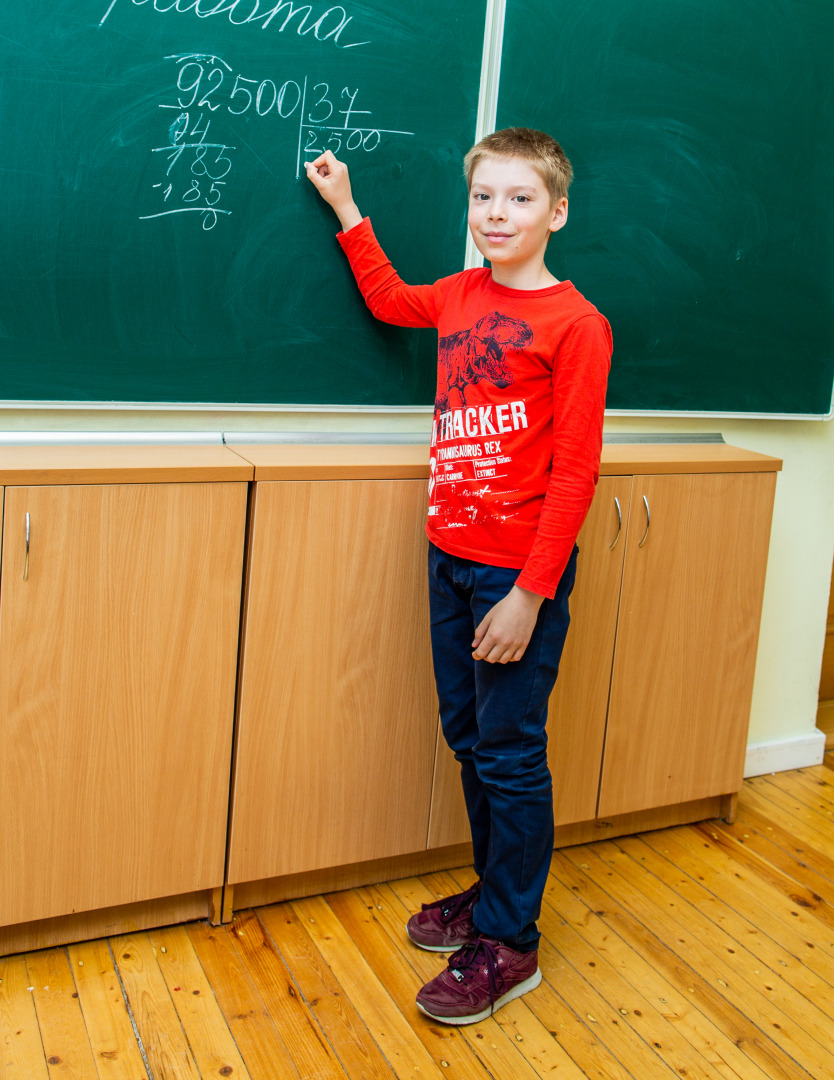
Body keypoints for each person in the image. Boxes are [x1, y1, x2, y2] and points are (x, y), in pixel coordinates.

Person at [306, 128, 611, 1025]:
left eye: (519, 199)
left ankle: (512, 943)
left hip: (516, 574)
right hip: (449, 553)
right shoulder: (461, 295)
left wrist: (529, 593)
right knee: (469, 737)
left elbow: (577, 470)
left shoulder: (576, 323)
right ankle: (490, 897)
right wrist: (347, 208)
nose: (497, 214)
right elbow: (393, 300)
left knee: (512, 755)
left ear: (557, 211)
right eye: (484, 197)